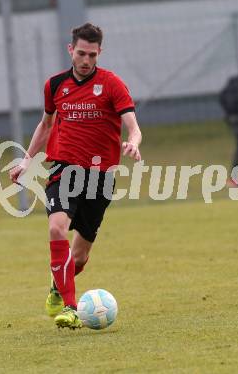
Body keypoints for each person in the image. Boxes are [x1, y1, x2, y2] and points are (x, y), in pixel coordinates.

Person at [9, 23, 142, 329]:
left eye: (92, 54)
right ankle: (69, 306)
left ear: (99, 53)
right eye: (81, 53)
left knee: (79, 258)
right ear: (71, 50)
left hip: (100, 177)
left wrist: (132, 143)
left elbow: (133, 126)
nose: (86, 60)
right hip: (63, 169)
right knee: (57, 229)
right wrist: (28, 160)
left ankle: (57, 286)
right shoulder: (55, 85)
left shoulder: (112, 85)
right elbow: (45, 125)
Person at [219, 75, 238, 187]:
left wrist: (228, 114)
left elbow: (221, 98)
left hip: (233, 119)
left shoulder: (233, 82)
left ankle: (234, 179)